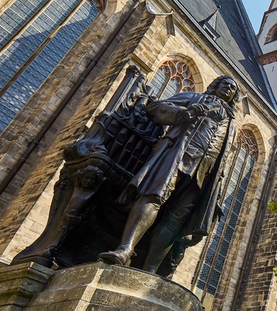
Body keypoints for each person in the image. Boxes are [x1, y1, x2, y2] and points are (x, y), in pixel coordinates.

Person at [99, 75, 238, 273]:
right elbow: (154, 107)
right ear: (215, 85)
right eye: (225, 83)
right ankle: (125, 249)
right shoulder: (194, 98)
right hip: (176, 155)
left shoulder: (231, 122)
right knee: (153, 196)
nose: (228, 88)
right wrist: (183, 113)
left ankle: (150, 270)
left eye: (232, 88)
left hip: (202, 173)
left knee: (175, 220)